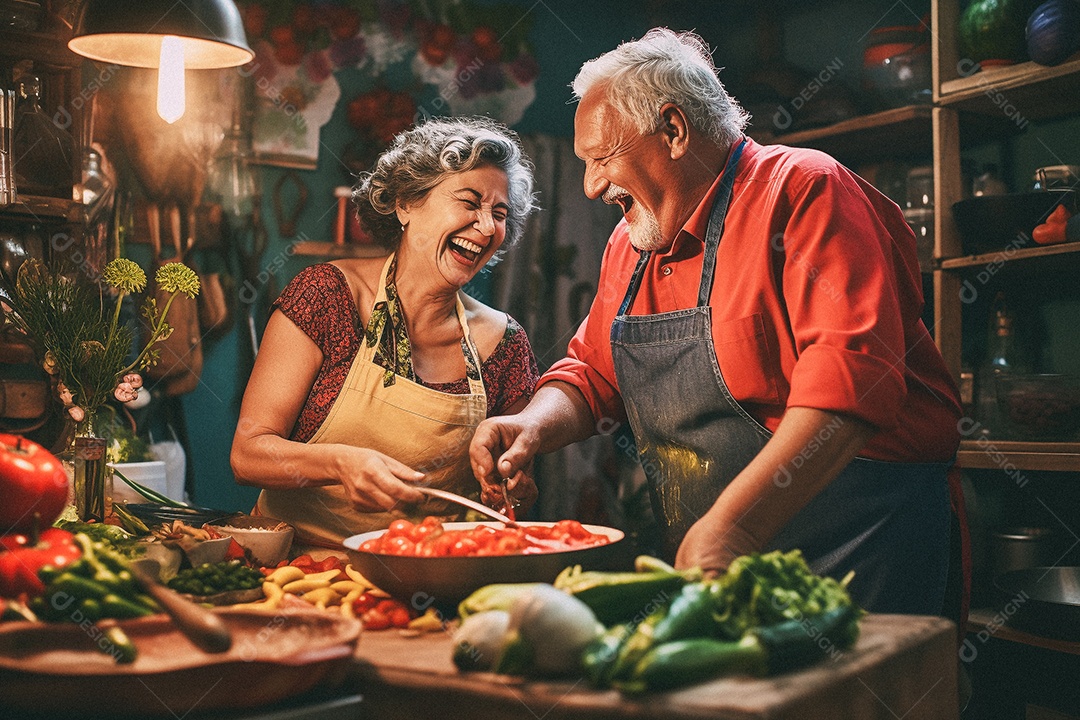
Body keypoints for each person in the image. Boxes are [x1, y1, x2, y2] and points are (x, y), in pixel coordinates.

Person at [470, 29, 966, 616]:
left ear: (674, 131)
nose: (591, 186)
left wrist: (733, 528)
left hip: (863, 546)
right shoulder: (631, 244)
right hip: (724, 557)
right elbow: (592, 376)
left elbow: (849, 391)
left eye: (601, 158)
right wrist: (532, 425)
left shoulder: (806, 190)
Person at [232, 116, 540, 549]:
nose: (487, 227)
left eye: (500, 214)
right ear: (405, 204)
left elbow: (514, 484)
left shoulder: (505, 344)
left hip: (431, 579)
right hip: (300, 569)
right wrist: (338, 463)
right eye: (470, 202)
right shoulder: (326, 297)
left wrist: (511, 489)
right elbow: (248, 454)